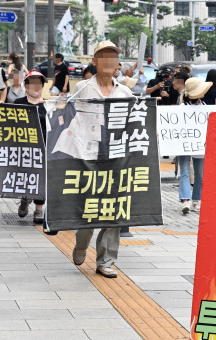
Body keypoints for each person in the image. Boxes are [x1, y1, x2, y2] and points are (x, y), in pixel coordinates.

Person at [71, 40, 133, 278]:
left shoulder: (125, 92)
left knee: (113, 210)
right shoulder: (82, 88)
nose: (109, 61)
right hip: (87, 157)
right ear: (94, 61)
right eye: (103, 56)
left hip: (116, 158)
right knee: (89, 208)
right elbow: (68, 117)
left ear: (117, 63)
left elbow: (135, 123)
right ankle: (81, 243)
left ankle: (106, 260)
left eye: (113, 56)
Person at [14, 70, 48, 224]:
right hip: (23, 148)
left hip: (43, 149)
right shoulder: (18, 103)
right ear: (26, 85)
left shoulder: (48, 105)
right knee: (26, 176)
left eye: (38, 83)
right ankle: (25, 198)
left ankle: (39, 209)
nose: (35, 86)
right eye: (32, 83)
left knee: (41, 178)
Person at [177, 77, 211, 214]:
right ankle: (185, 200)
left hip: (200, 145)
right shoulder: (181, 108)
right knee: (185, 172)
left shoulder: (205, 108)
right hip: (184, 144)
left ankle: (197, 199)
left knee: (200, 175)